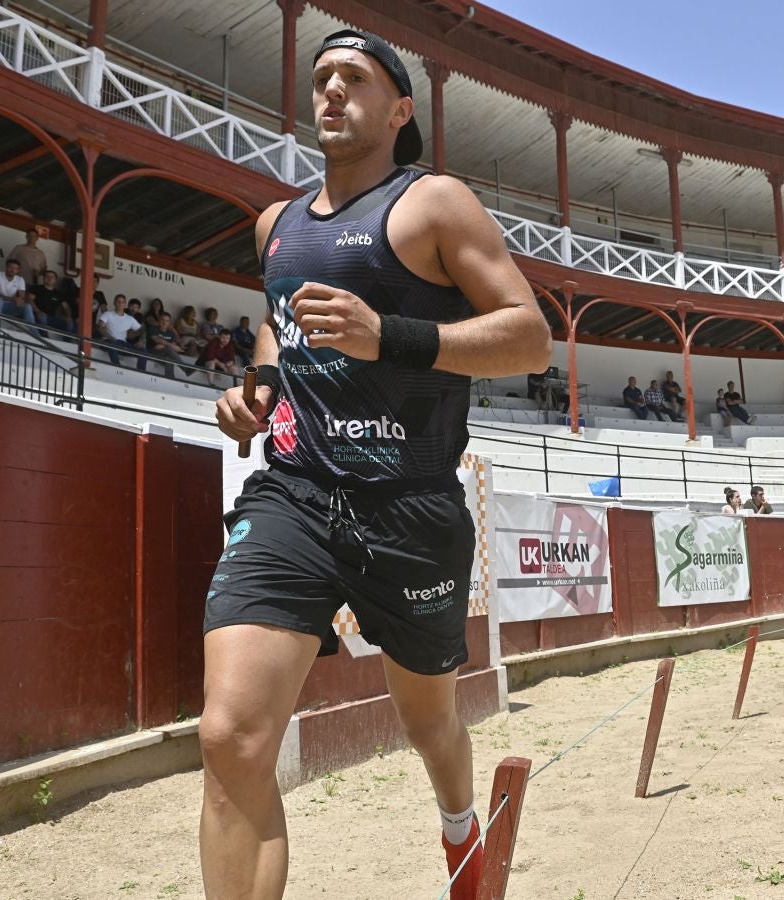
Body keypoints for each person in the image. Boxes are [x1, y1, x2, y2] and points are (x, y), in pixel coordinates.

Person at [204, 28, 551, 900]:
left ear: (399, 110)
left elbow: (530, 339)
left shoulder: (435, 204)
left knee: (430, 722)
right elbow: (281, 323)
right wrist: (256, 388)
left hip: (412, 506)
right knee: (230, 737)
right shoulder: (274, 225)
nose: (330, 91)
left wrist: (388, 336)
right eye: (320, 78)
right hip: (294, 491)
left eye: (352, 78)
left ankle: (459, 830)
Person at [97, 294, 146, 370]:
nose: (120, 304)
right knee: (112, 344)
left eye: (122, 302)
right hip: (108, 342)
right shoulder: (108, 314)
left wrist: (142, 340)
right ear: (114, 303)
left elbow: (142, 329)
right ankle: (118, 368)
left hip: (122, 344)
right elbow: (100, 327)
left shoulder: (129, 318)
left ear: (125, 304)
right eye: (118, 302)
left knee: (143, 350)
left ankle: (141, 372)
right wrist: (111, 338)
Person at [0, 259, 40, 326]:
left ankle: (34, 332)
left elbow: (21, 297)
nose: (12, 270)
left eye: (15, 268)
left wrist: (19, 300)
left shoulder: (20, 279)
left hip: (8, 307)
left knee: (27, 306)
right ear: (6, 267)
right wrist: (13, 299)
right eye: (10, 267)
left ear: (18, 270)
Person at [146, 311, 185, 377]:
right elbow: (156, 339)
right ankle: (185, 368)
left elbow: (172, 347)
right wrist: (169, 345)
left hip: (163, 355)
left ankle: (170, 378)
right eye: (162, 320)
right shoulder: (153, 328)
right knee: (168, 348)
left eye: (167, 321)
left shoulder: (171, 333)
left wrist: (164, 345)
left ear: (169, 322)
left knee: (169, 358)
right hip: (151, 353)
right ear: (158, 320)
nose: (164, 323)